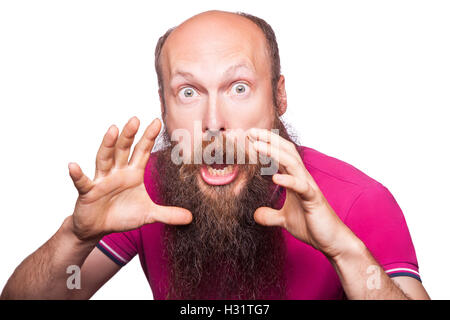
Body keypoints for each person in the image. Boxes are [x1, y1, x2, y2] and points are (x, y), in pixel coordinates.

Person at [0, 10, 430, 300]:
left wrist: (343, 250)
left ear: (279, 96)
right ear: (164, 106)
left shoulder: (357, 201)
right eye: (188, 92)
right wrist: (76, 239)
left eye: (238, 88)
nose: (213, 122)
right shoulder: (145, 193)